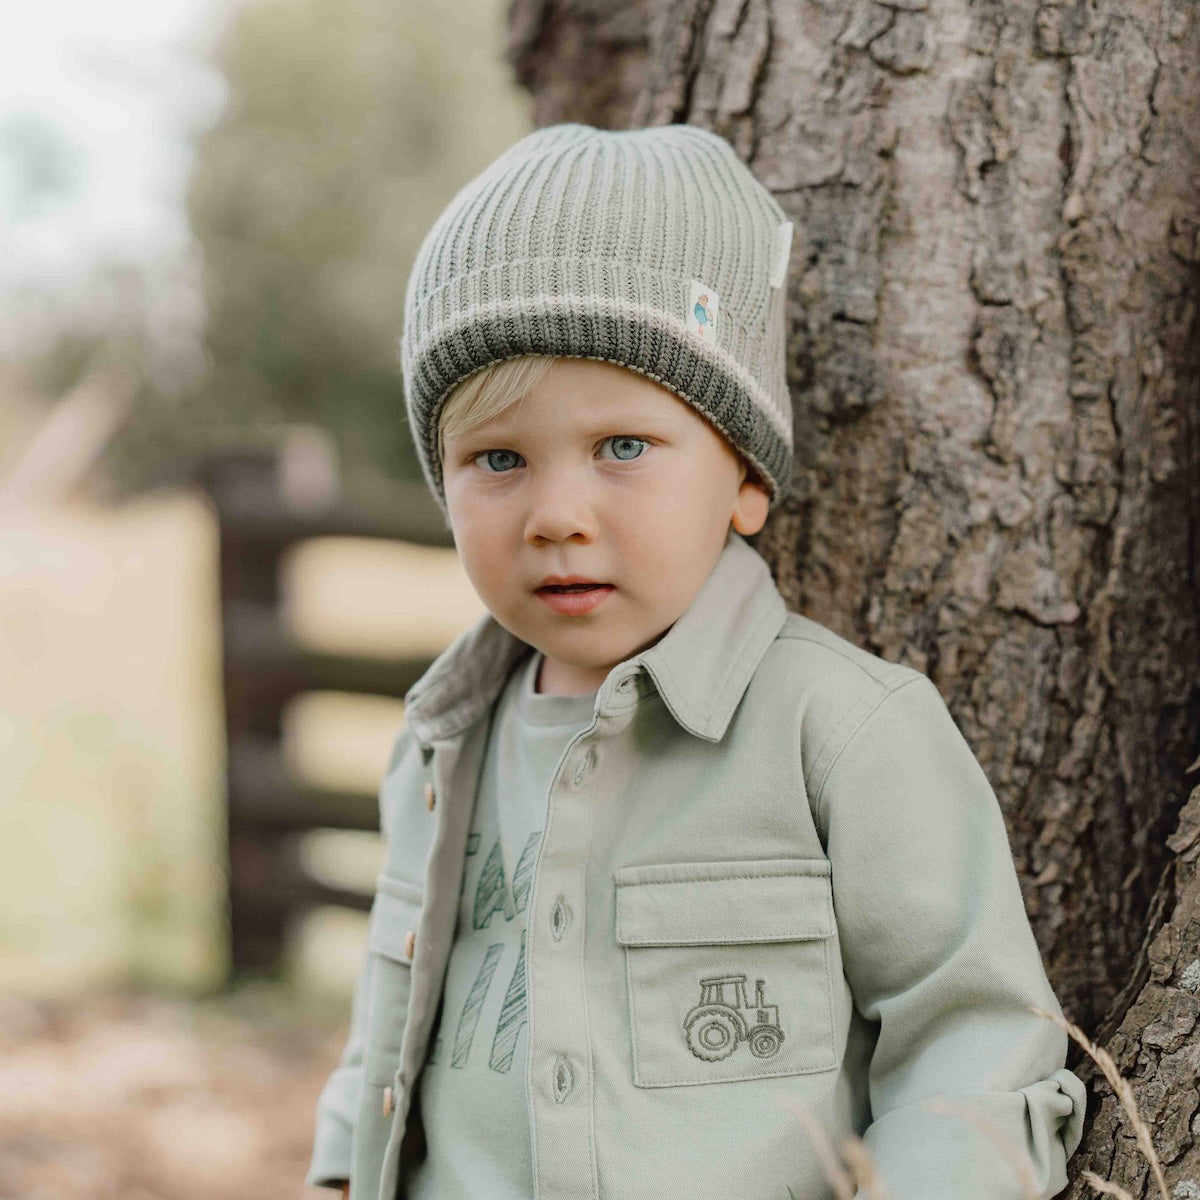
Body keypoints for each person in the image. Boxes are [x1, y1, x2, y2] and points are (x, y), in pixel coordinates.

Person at [306, 123, 1087, 1200]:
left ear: (745, 477)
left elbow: (974, 1041)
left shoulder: (843, 731)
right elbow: (387, 1029)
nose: (556, 515)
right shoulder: (440, 742)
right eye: (498, 458)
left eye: (623, 447)